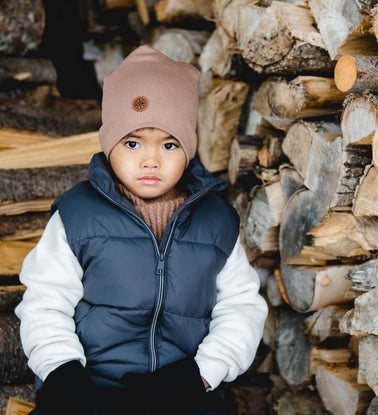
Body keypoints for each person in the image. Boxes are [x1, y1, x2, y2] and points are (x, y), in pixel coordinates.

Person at [15, 44, 268, 415]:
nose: (151, 159)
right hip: (89, 387)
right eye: (132, 143)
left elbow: (241, 307)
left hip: (180, 389)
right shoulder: (78, 216)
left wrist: (201, 374)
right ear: (108, 145)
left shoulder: (216, 223)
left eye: (169, 144)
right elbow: (44, 302)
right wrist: (62, 372)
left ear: (189, 150)